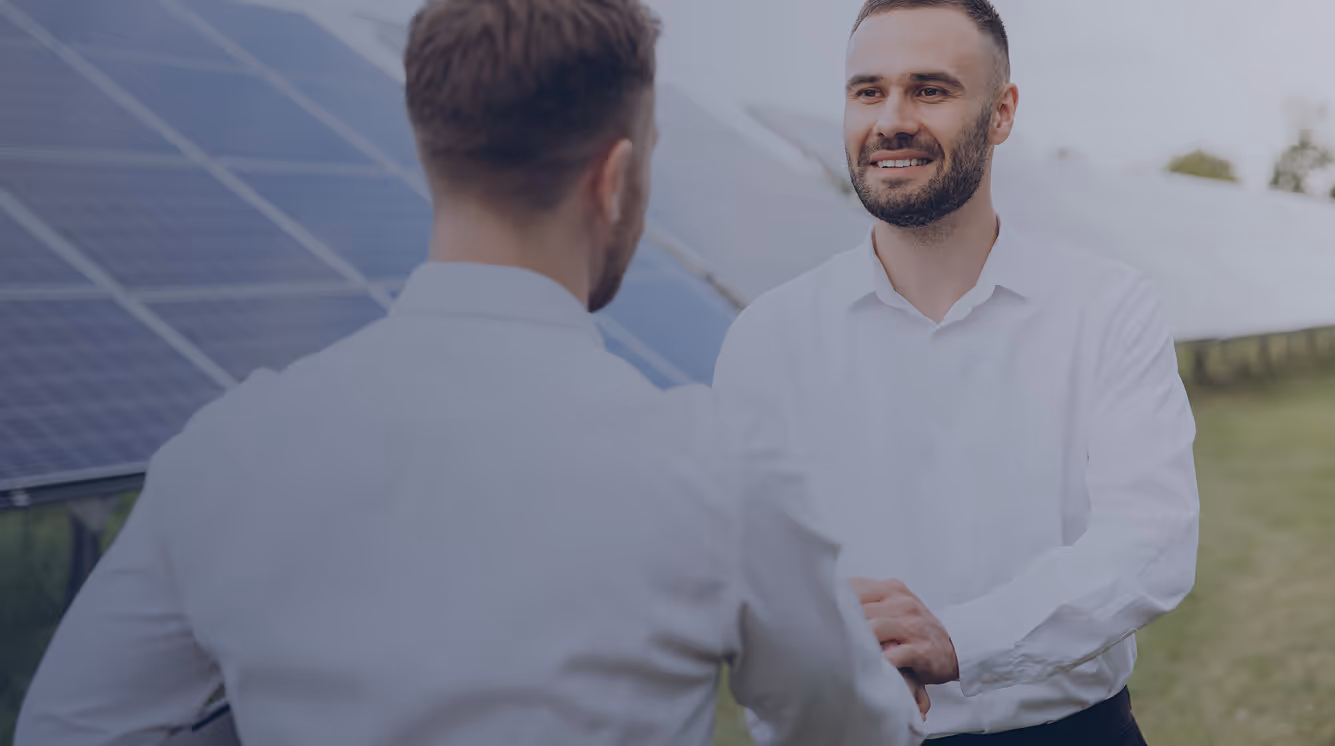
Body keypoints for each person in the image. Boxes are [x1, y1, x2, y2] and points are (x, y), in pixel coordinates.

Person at [15, 1, 927, 744]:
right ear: (613, 178)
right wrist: (832, 631)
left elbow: (69, 729)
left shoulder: (225, 453)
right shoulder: (718, 472)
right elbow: (854, 732)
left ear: (431, 153)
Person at [713, 1, 1200, 743]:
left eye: (930, 89)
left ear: (1002, 113)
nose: (891, 119)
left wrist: (960, 638)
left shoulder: (1106, 307)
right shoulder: (767, 339)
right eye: (867, 90)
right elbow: (742, 580)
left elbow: (1151, 539)